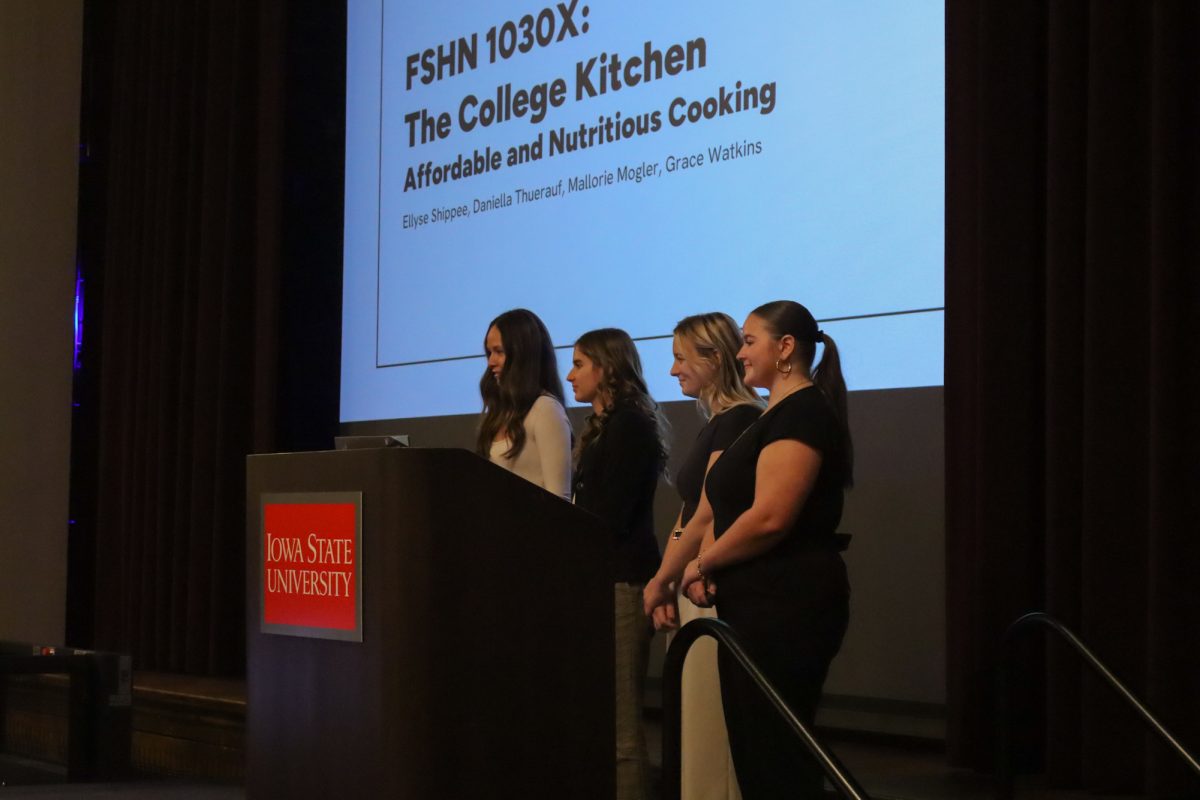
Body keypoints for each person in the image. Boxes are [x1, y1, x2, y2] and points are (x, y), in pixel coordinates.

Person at [643, 301, 853, 799]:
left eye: (750, 341)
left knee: (776, 763)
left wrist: (702, 562)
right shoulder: (775, 415)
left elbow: (770, 517)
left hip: (787, 604)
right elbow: (722, 506)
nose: (740, 353)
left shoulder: (801, 411)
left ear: (785, 349)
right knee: (758, 760)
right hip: (757, 604)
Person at [649, 312, 763, 800]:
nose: (673, 371)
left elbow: (705, 516)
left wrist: (663, 580)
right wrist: (667, 577)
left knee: (712, 727)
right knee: (693, 722)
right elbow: (687, 513)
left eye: (680, 358)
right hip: (692, 582)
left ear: (715, 359)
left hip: (713, 583)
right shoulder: (716, 422)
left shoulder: (741, 418)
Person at [567, 328, 669, 800]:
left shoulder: (629, 425)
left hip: (624, 583)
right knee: (601, 722)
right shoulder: (603, 426)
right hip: (598, 581)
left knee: (624, 731)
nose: (570, 375)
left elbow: (609, 514)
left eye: (580, 364)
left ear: (606, 368)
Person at [477, 309, 572, 499]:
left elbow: (559, 499)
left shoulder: (545, 409)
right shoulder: (500, 413)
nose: (491, 362)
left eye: (499, 352)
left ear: (522, 354)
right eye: (489, 352)